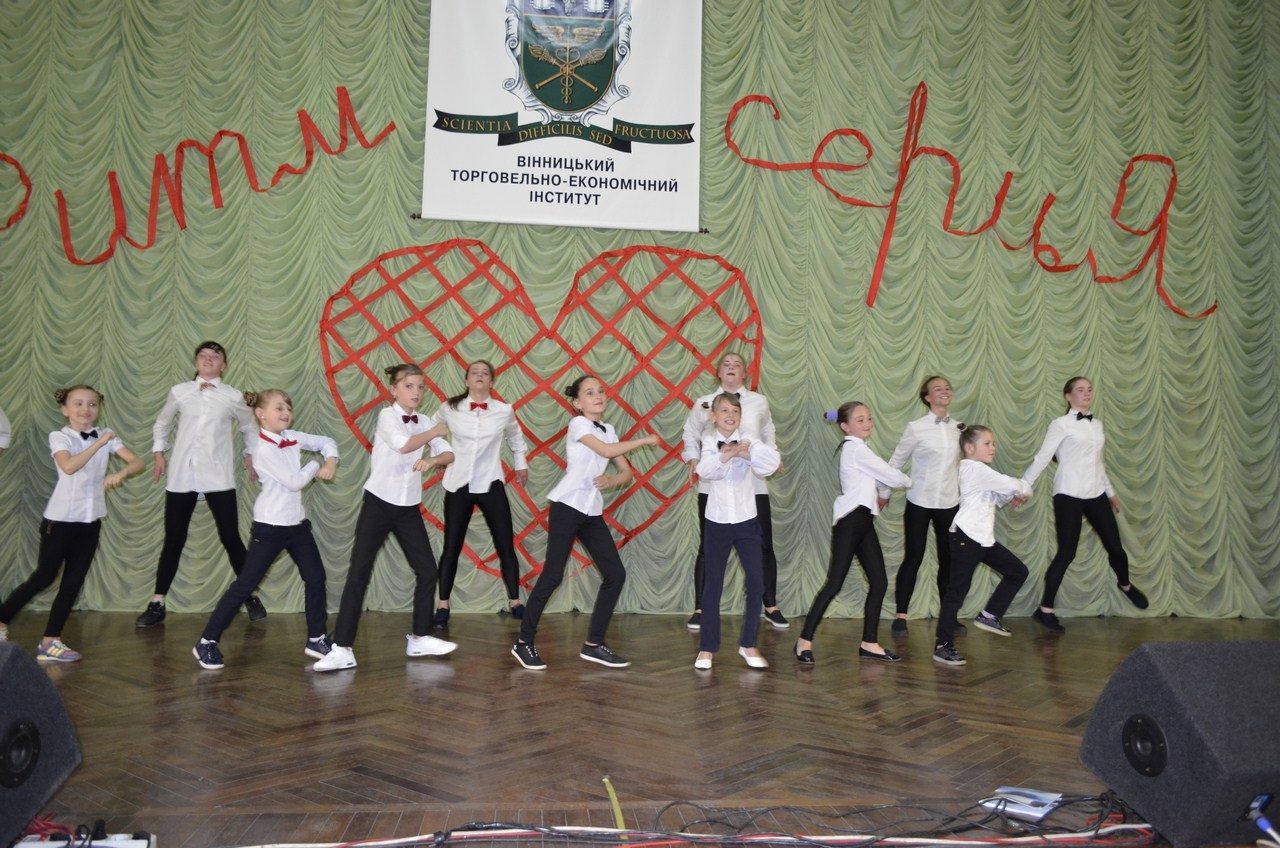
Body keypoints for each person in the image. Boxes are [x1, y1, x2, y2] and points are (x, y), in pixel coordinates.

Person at [315, 364, 457, 671]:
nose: (416, 392)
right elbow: (404, 445)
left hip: (408, 507)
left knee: (427, 571)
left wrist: (433, 459)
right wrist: (433, 433)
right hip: (379, 503)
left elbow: (449, 454)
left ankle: (420, 637)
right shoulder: (387, 416)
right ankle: (342, 647)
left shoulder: (424, 420)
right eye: (409, 386)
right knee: (359, 574)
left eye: (420, 387)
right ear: (394, 389)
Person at [510, 375, 657, 671]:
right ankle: (523, 642)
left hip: (591, 511)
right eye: (589, 393)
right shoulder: (578, 424)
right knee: (552, 576)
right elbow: (606, 452)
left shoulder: (609, 430)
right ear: (578, 403)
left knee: (615, 574)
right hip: (567, 507)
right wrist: (643, 440)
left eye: (600, 391)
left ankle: (593, 644)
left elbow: (626, 472)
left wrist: (613, 480)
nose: (598, 396)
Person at [193, 390, 338, 670]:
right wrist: (316, 464)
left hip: (296, 525)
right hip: (270, 526)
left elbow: (327, 442)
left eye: (288, 408)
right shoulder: (262, 449)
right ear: (261, 414)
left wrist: (330, 460)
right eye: (279, 408)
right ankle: (206, 641)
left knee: (316, 578)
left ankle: (316, 638)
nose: (286, 413)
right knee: (246, 585)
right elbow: (294, 482)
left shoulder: (292, 436)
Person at [0, 386, 143, 661]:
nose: (85, 409)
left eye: (92, 404)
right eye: (78, 404)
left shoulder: (105, 434)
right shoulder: (60, 437)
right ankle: (2, 618)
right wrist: (99, 444)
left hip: (90, 521)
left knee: (73, 583)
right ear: (65, 410)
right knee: (44, 576)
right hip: (60, 520)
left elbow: (136, 462)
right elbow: (69, 467)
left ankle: (50, 642)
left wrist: (124, 471)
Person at [138, 341, 262, 628]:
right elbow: (162, 423)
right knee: (174, 539)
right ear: (195, 362)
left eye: (215, 356)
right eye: (203, 356)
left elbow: (249, 427)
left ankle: (250, 596)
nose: (208, 360)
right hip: (182, 475)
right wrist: (158, 452)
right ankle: (157, 603)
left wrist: (250, 454)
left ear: (224, 365)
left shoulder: (233, 396)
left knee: (230, 537)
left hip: (218, 475)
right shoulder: (179, 391)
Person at [1023, 377, 1147, 634]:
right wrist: (1023, 486)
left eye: (1089, 389)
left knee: (1115, 547)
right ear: (1068, 396)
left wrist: (1110, 492)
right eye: (1080, 390)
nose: (1087, 393)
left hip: (1096, 492)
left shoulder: (1097, 425)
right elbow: (1043, 457)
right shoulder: (1060, 424)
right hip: (1068, 493)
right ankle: (1045, 610)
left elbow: (1097, 462)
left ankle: (1124, 584)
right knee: (1066, 553)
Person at [795, 402, 910, 667]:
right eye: (860, 420)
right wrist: (911, 481)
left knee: (879, 582)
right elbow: (890, 476)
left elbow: (880, 479)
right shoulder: (855, 449)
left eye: (868, 418)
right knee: (834, 583)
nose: (867, 423)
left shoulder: (861, 449)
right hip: (850, 521)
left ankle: (869, 643)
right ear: (845, 427)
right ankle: (804, 641)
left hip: (864, 521)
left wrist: (885, 491)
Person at [681, 352, 787, 633]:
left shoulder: (759, 401)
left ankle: (770, 605)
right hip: (713, 487)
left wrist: (771, 456)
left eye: (736, 364)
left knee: (763, 544)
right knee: (709, 547)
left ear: (744, 372)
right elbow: (690, 432)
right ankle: (701, 608)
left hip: (753, 485)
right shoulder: (703, 402)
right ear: (718, 372)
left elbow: (768, 432)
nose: (731, 368)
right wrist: (693, 457)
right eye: (725, 364)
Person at [433, 360, 529, 627]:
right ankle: (443, 606)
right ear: (466, 381)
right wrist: (441, 454)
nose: (479, 376)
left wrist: (520, 463)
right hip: (458, 483)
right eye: (474, 373)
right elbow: (432, 430)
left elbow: (515, 436)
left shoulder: (503, 410)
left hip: (490, 482)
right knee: (451, 546)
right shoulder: (450, 408)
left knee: (505, 544)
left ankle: (515, 602)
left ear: (491, 381)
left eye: (484, 373)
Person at [693, 392, 780, 671]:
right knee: (712, 585)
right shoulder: (709, 441)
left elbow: (771, 464)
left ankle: (748, 644)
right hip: (717, 522)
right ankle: (707, 648)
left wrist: (746, 452)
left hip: (746, 521)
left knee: (756, 581)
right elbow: (706, 470)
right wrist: (729, 454)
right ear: (713, 416)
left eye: (735, 411)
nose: (730, 415)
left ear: (740, 416)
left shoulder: (749, 439)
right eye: (724, 410)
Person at [933, 426, 1031, 667]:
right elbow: (1011, 484)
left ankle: (989, 615)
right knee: (956, 593)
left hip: (982, 539)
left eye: (993, 443)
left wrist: (1014, 493)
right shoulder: (974, 468)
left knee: (1018, 572)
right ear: (969, 448)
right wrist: (1023, 489)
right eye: (987, 443)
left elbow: (998, 496)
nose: (993, 448)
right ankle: (942, 646)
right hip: (966, 537)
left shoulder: (980, 472)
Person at [881, 376, 965, 635]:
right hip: (919, 501)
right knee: (913, 558)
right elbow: (896, 462)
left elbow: (966, 467)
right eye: (938, 389)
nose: (944, 391)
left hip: (950, 503)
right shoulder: (916, 428)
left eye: (947, 388)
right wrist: (884, 493)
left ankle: (948, 618)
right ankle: (901, 616)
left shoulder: (960, 429)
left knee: (948, 561)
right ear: (927, 397)